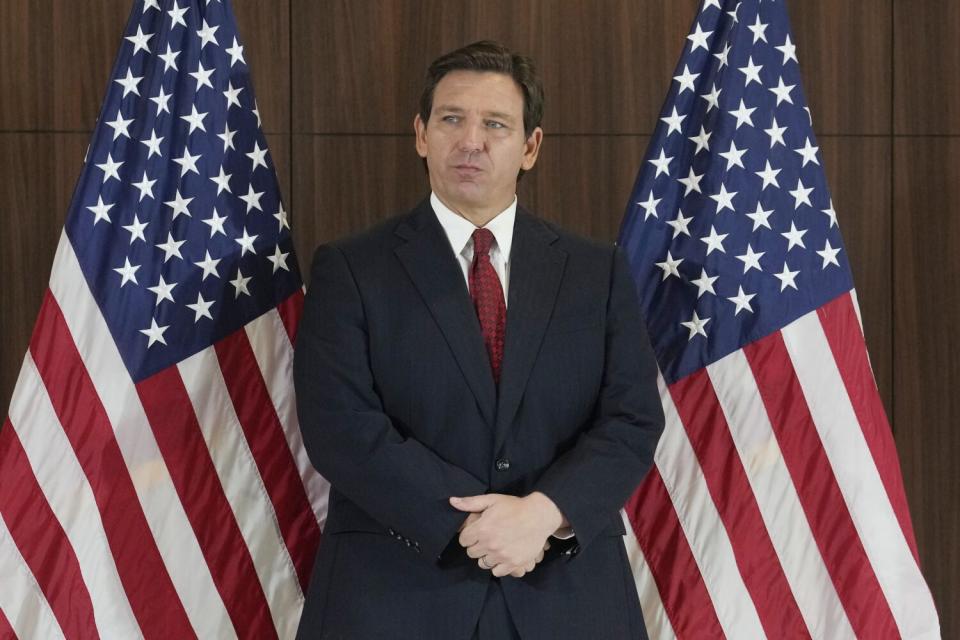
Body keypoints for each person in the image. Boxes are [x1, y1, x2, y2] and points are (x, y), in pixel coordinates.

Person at [294, 40, 664, 640]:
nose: (472, 140)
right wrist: (479, 526)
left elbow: (632, 420)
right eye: (451, 119)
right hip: (395, 595)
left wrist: (542, 516)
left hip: (567, 596)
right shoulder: (351, 269)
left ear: (530, 146)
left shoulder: (597, 273)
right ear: (421, 134)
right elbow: (340, 428)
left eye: (495, 124)